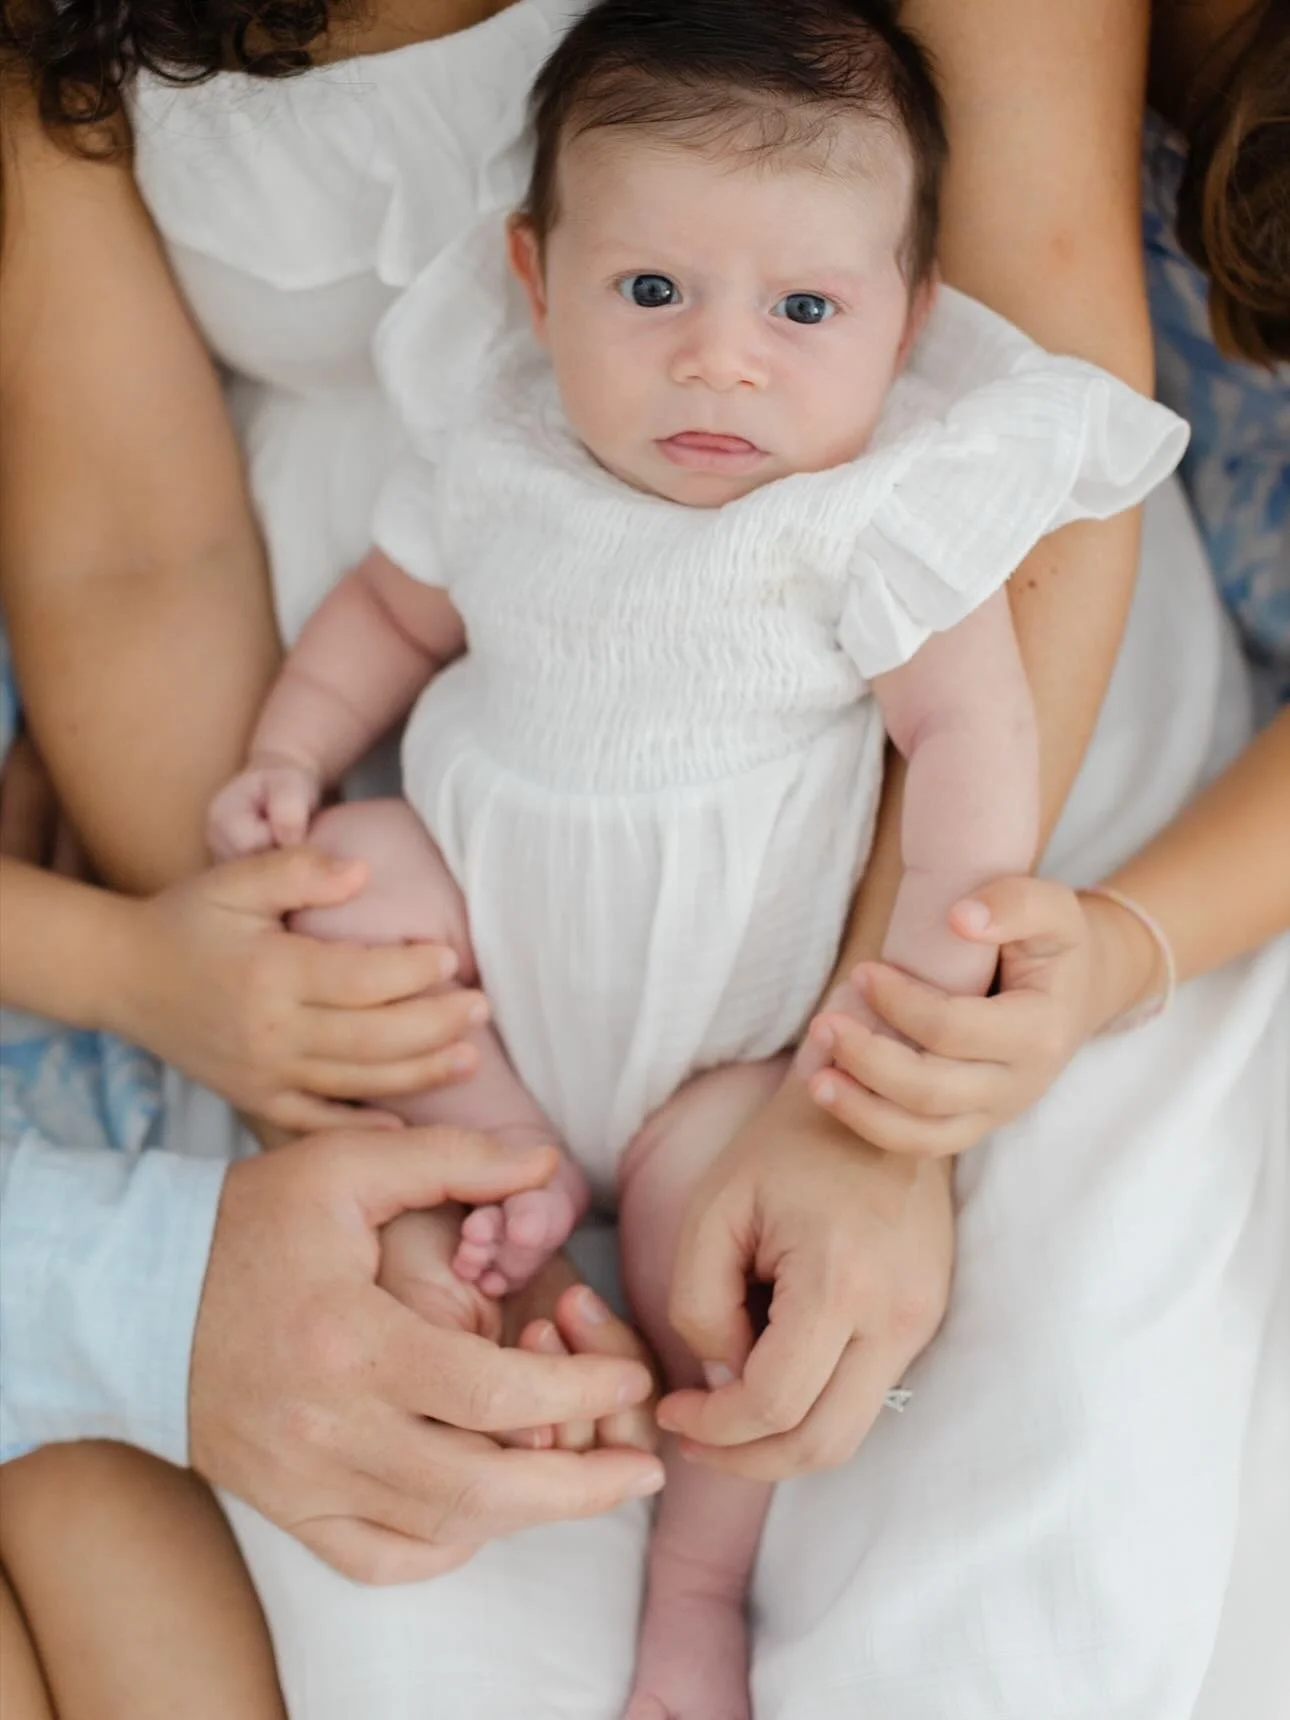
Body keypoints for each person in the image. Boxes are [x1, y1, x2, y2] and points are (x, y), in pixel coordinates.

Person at [0, 0, 1285, 1714]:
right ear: (532, 282)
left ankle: (711, 1589)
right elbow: (129, 548)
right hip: (429, 710)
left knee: (997, 1531)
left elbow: (1041, 367)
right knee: (434, 1561)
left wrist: (870, 1087)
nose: (712, 356)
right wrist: (303, 1021)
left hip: (955, 723)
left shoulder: (894, 489)